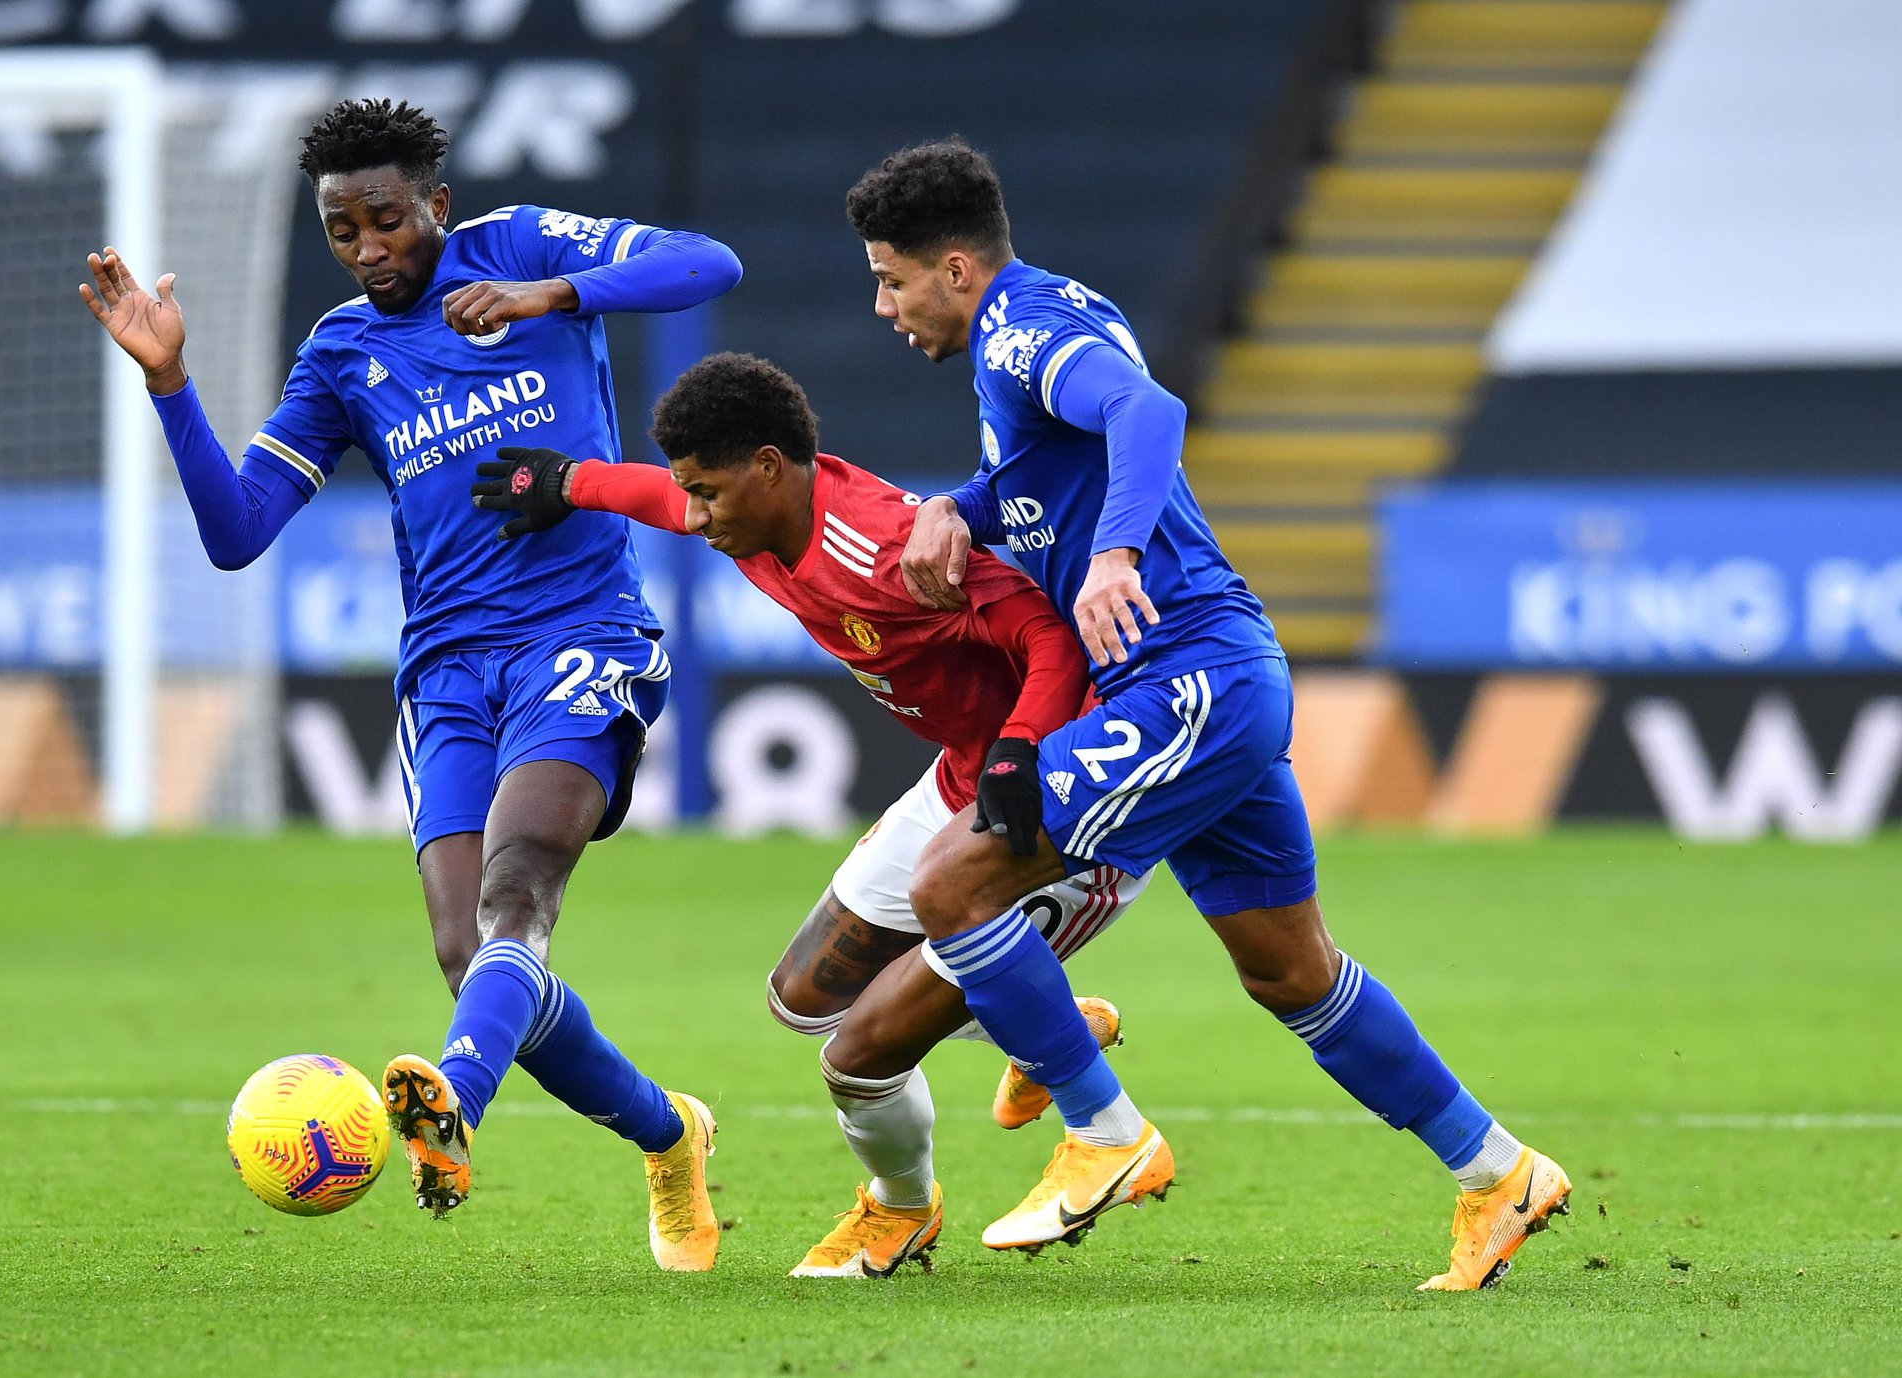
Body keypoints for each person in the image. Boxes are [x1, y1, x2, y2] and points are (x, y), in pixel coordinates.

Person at [843, 139, 1571, 1290]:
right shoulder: (1037, 320)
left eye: (891, 280)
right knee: (1289, 971)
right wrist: (962, 508)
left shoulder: (1019, 331)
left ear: (954, 269)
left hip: (1184, 677)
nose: (883, 307)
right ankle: (1497, 1172)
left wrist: (1114, 555)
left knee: (948, 884)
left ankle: (1103, 1131)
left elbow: (1145, 411)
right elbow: (1052, 468)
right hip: (1214, 681)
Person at [78, 98, 743, 1272]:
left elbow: (707, 262)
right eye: (342, 229)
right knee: (468, 953)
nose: (368, 247)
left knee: (518, 891)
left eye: (386, 219)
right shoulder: (342, 353)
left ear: (435, 203)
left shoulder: (520, 247)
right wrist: (171, 383)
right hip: (445, 670)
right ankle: (666, 1132)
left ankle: (454, 1109)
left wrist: (550, 295)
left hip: (580, 632)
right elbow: (236, 532)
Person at [472, 351, 1151, 1278]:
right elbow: (661, 498)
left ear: (767, 467)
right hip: (960, 778)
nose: (695, 516)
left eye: (708, 493)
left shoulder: (883, 546)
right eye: (691, 492)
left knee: (858, 1058)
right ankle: (1048, 1021)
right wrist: (567, 482)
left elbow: (1045, 631)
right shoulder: (752, 520)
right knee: (803, 998)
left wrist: (1020, 746)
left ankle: (900, 1209)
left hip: (1051, 801)